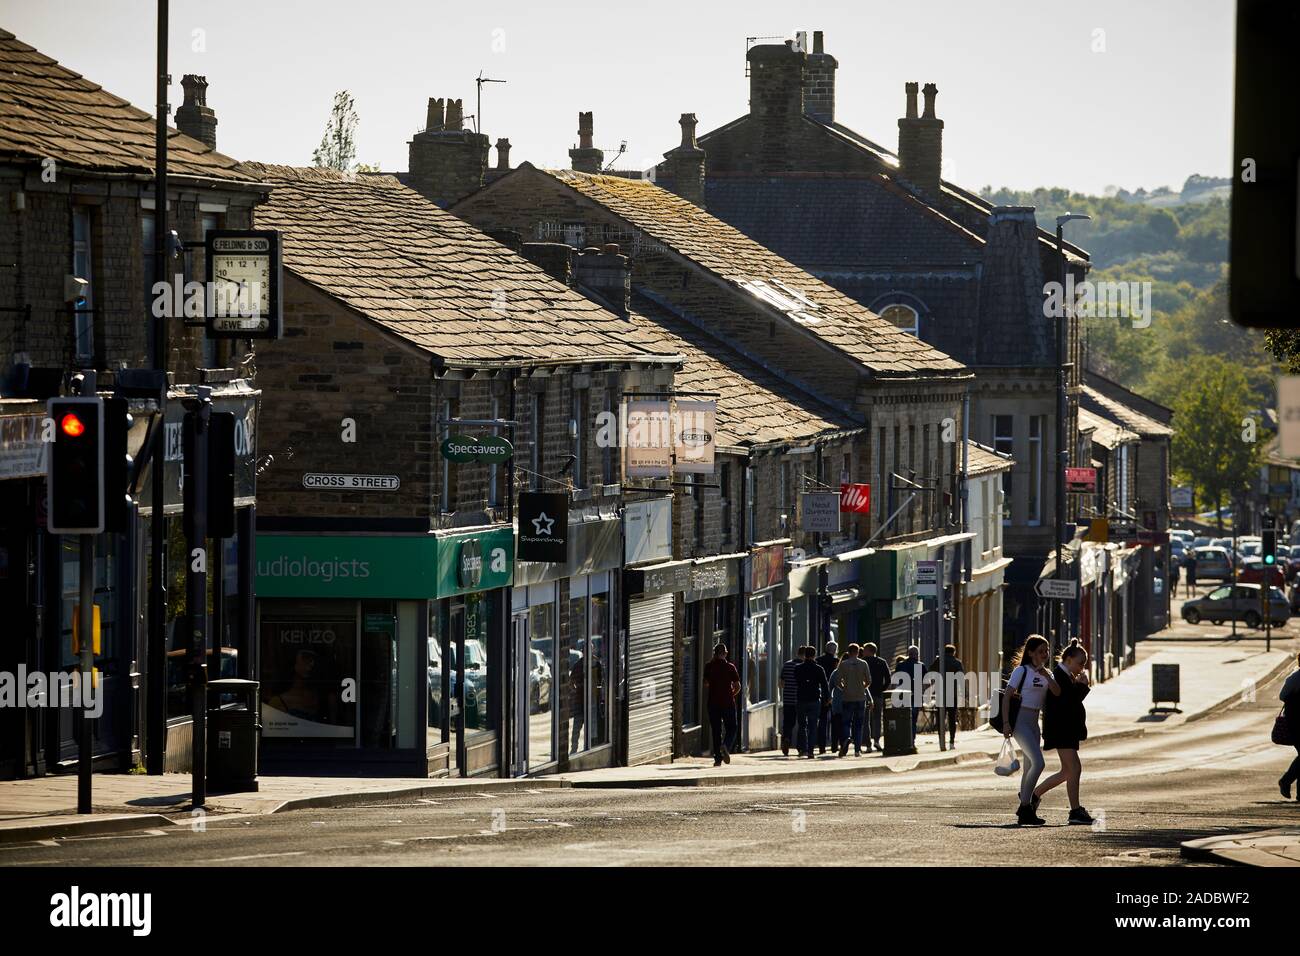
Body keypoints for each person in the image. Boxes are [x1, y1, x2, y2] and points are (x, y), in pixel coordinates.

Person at [1002, 634, 1062, 826]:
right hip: (1020, 721)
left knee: (1029, 767)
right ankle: (1025, 805)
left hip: (1035, 722)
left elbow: (1057, 692)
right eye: (1040, 652)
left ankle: (1025, 810)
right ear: (1030, 653)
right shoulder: (1022, 671)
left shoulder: (1047, 673)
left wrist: (1045, 674)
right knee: (1039, 763)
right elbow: (1007, 697)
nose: (1044, 655)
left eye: (1046, 651)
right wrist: (1005, 723)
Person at [1034, 640, 1095, 824]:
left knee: (1067, 771)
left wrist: (1080, 685)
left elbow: (1070, 700)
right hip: (1062, 729)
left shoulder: (1066, 674)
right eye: (1080, 663)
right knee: (1074, 769)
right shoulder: (1060, 675)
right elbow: (1068, 702)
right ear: (1068, 660)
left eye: (1084, 664)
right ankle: (1075, 811)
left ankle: (1032, 796)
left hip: (1066, 729)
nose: (1082, 667)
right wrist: (1083, 686)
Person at [701, 643, 740, 767]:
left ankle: (718, 759)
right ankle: (726, 746)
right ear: (726, 653)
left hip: (713, 703)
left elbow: (705, 683)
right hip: (728, 702)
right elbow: (738, 686)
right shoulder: (730, 667)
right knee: (732, 728)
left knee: (716, 731)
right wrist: (732, 694)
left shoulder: (709, 666)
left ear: (715, 653)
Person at [835, 643, 873, 757]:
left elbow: (837, 681)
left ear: (849, 651)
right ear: (857, 652)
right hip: (860, 697)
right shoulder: (863, 663)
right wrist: (863, 687)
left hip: (847, 697)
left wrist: (844, 687)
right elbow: (869, 680)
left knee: (846, 722)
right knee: (859, 724)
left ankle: (846, 738)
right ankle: (857, 750)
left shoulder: (843, 664)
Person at [794, 645, 830, 758]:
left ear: (805, 655)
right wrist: (827, 698)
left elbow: (797, 681)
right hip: (814, 699)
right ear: (814, 655)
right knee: (813, 725)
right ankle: (810, 751)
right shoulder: (819, 669)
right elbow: (824, 685)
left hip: (801, 698)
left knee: (802, 725)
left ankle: (802, 749)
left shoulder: (798, 668)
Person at [929, 643, 965, 749]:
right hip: (952, 694)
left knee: (941, 718)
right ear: (954, 652)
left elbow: (930, 672)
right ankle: (952, 742)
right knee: (952, 718)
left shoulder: (939, 661)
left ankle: (941, 741)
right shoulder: (957, 663)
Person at [1279, 651, 1300, 802]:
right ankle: (1286, 780)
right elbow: (1283, 695)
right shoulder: (1296, 677)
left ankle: (1298, 792)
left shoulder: (1295, 676)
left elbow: (1283, 695)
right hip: (1298, 723)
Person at [863, 643, 891, 752]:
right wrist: (882, 689)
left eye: (865, 649)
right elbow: (888, 679)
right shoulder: (882, 662)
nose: (863, 651)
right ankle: (877, 741)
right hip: (878, 695)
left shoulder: (863, 662)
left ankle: (868, 744)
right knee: (877, 719)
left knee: (866, 720)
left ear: (869, 650)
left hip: (865, 694)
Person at [894, 645, 926, 740]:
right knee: (913, 718)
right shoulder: (921, 666)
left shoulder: (900, 665)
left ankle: (903, 737)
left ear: (908, 654)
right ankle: (911, 739)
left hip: (902, 695)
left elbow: (895, 680)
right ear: (916, 655)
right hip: (916, 695)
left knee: (902, 717)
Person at [815, 641, 839, 754]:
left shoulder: (818, 660)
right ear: (834, 650)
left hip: (822, 694)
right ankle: (834, 745)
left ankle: (822, 746)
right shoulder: (836, 662)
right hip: (834, 693)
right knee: (835, 721)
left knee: (822, 721)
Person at [779, 647, 803, 757]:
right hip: (800, 699)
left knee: (788, 723)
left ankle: (787, 739)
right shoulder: (803, 666)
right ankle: (800, 746)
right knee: (802, 724)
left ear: (797, 653)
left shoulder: (787, 664)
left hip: (788, 699)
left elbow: (781, 682)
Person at [826, 654, 845, 755]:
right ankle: (843, 744)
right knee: (845, 725)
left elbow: (830, 687)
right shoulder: (852, 671)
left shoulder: (836, 672)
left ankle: (834, 745)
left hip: (837, 703)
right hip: (848, 702)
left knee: (835, 725)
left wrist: (829, 698)